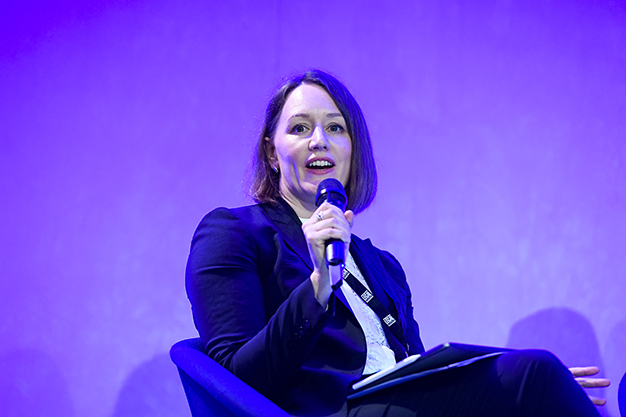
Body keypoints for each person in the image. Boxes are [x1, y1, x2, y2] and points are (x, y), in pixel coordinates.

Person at [185, 70, 609, 417]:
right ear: (271, 152)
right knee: (536, 373)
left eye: (335, 128)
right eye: (300, 128)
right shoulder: (233, 232)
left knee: (536, 383)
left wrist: (509, 388)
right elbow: (236, 381)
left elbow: (418, 371)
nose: (319, 140)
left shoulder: (381, 264)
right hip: (329, 410)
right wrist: (317, 286)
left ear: (353, 150)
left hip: (402, 405)